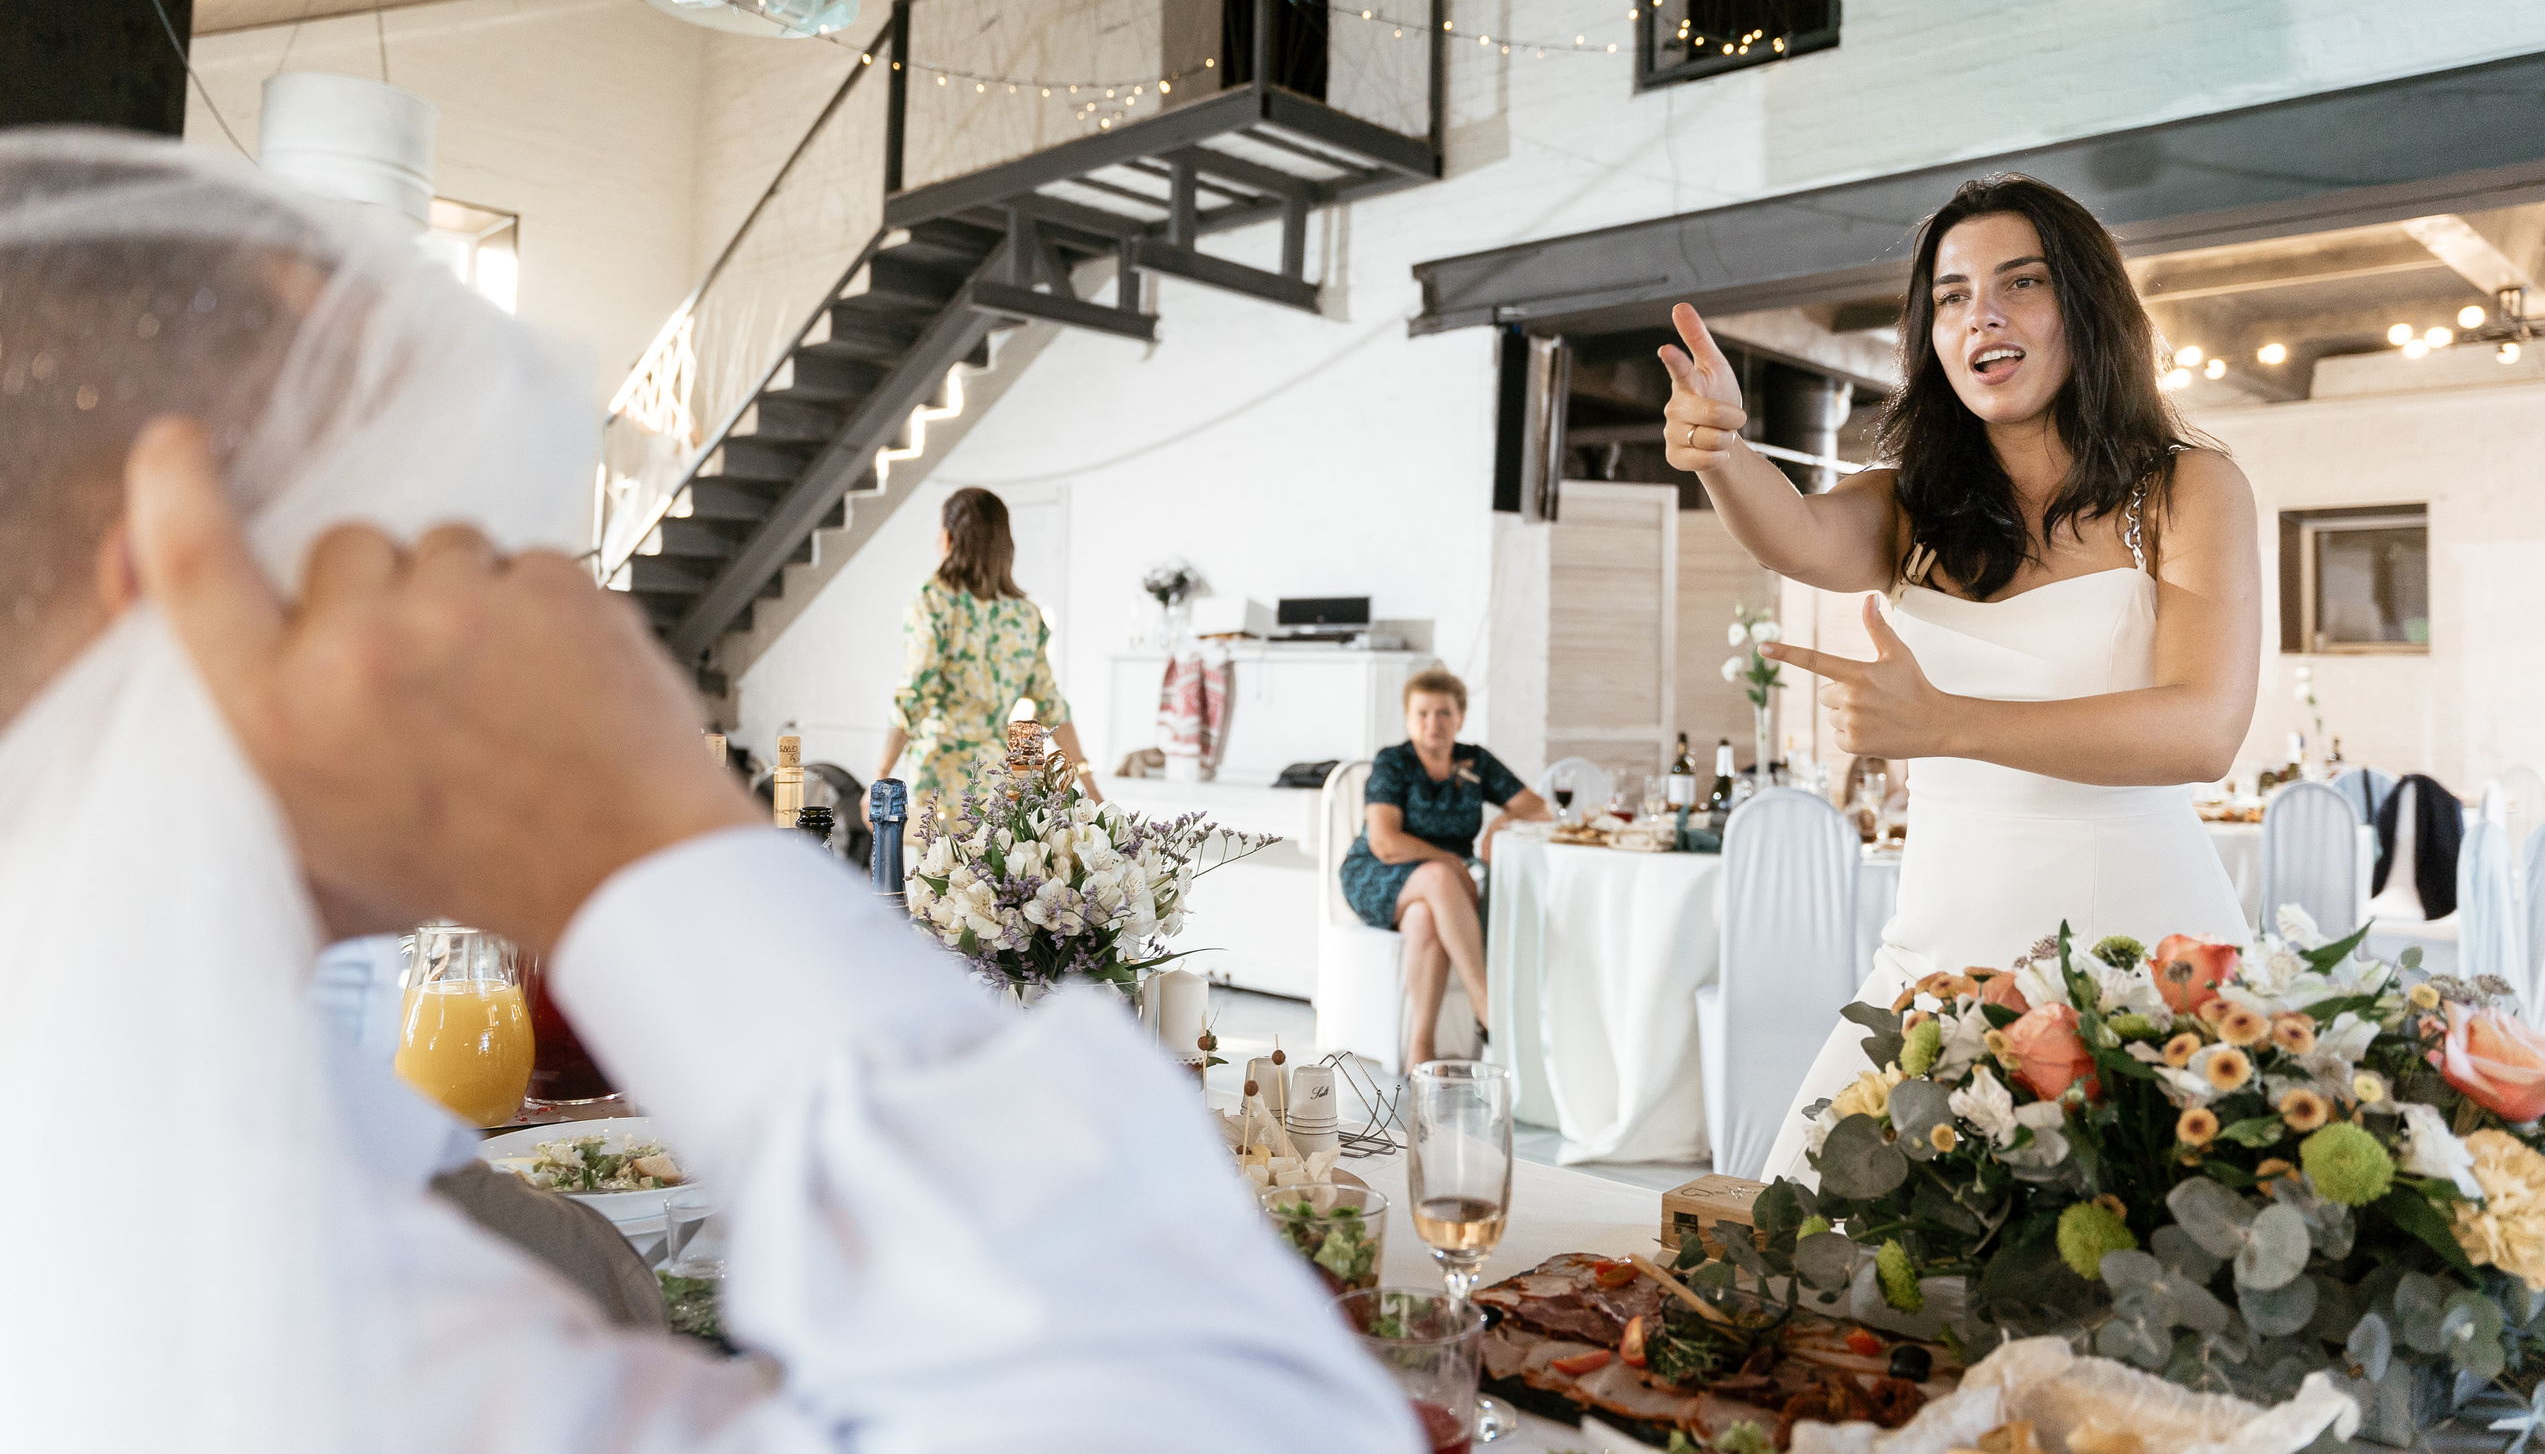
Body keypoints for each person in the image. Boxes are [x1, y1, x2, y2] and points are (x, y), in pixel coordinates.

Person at [0, 129, 1413, 1451]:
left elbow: (934, 702)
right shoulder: (311, 1327)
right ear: (187, 582)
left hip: (958, 789)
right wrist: (642, 827)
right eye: (422, 532)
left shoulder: (201, 1163)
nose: (514, 589)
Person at [1658, 173, 2259, 1185]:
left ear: (2086, 306)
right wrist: (1721, 452)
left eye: (2019, 283)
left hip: (2141, 950)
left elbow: (2201, 731)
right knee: (1811, 1239)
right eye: (1949, 294)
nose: (1980, 312)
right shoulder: (1912, 506)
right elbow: (1796, 534)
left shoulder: (2186, 488)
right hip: (1937, 950)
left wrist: (1945, 722)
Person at [1338, 670, 1548, 1070]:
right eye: (1422, 713)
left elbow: (1537, 807)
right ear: (1407, 718)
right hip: (1378, 873)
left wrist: (1498, 826)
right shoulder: (1393, 763)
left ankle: (1421, 1050)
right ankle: (1485, 1007)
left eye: (1443, 713)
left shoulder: (1474, 761)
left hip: (1441, 890)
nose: (1432, 723)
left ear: (1461, 717)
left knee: (1424, 918)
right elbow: (1384, 842)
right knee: (1436, 878)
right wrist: (1452, 862)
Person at [870, 487, 1099, 820]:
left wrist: (880, 776)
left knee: (938, 870)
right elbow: (1052, 705)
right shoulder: (1025, 614)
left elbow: (915, 692)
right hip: (994, 777)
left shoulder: (932, 600)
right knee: (987, 869)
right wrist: (1088, 783)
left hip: (939, 774)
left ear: (948, 537)